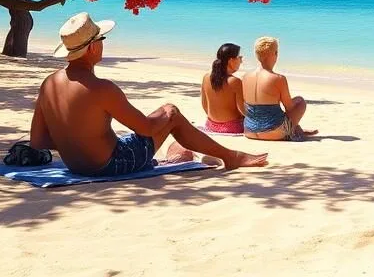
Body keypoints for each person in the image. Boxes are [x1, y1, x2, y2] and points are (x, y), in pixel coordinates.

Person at [29, 12, 266, 176]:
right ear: (92, 47)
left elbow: (38, 141)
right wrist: (166, 116)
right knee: (171, 111)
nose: (103, 44)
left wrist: (77, 141)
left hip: (74, 166)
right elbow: (146, 129)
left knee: (164, 125)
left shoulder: (49, 83)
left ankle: (183, 152)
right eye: (102, 39)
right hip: (112, 165)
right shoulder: (101, 88)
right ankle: (230, 157)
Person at [243, 36, 317, 141]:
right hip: (273, 132)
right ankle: (294, 130)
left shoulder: (246, 76)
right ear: (275, 54)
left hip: (249, 131)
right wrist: (295, 124)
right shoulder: (278, 79)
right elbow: (289, 108)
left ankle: (295, 129)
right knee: (300, 102)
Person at [201, 43, 247, 134]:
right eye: (239, 57)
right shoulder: (234, 81)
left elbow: (204, 104)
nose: (241, 61)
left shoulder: (206, 77)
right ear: (231, 60)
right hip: (232, 127)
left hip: (211, 124)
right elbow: (242, 110)